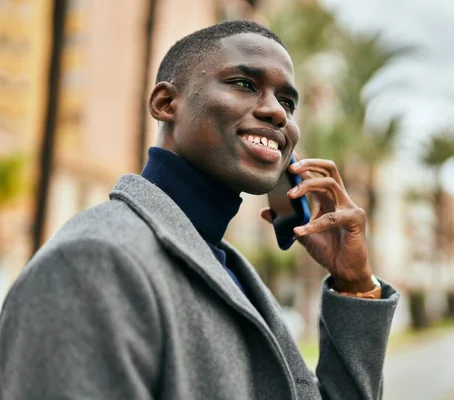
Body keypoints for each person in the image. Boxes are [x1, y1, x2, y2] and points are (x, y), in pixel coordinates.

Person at [0, 20, 399, 399]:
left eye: (288, 102)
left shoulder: (227, 267)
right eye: (245, 84)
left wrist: (354, 284)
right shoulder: (92, 262)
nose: (277, 112)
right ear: (165, 103)